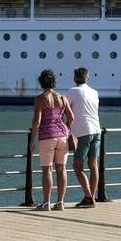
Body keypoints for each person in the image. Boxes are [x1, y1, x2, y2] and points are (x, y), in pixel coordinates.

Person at [29, 68, 73, 212]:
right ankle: (60, 202)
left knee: (47, 170)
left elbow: (37, 121)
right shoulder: (62, 98)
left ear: (41, 83)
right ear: (54, 82)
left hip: (47, 136)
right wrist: (65, 129)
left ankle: (46, 203)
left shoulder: (40, 99)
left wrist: (32, 139)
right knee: (61, 169)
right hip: (63, 137)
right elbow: (71, 118)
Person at [66, 67, 101, 208]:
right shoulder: (94, 92)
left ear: (75, 78)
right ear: (88, 78)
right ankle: (91, 197)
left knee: (77, 165)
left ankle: (88, 198)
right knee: (93, 165)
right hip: (97, 130)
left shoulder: (72, 91)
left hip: (83, 132)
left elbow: (65, 109)